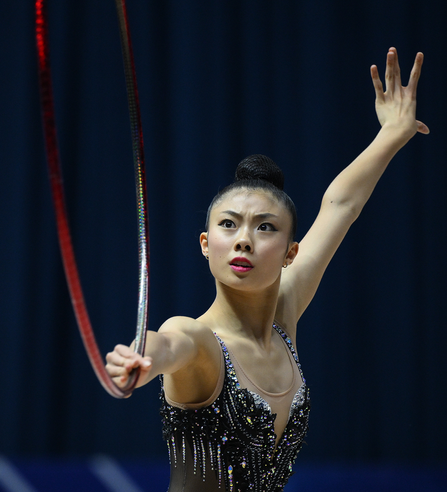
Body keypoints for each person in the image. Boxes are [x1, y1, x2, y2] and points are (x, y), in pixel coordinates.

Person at [105, 47, 429, 492]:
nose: (244, 239)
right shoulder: (198, 340)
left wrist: (391, 135)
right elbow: (168, 346)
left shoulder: (284, 315)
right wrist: (142, 358)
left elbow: (342, 205)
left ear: (290, 252)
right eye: (228, 224)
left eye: (265, 228)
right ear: (205, 244)